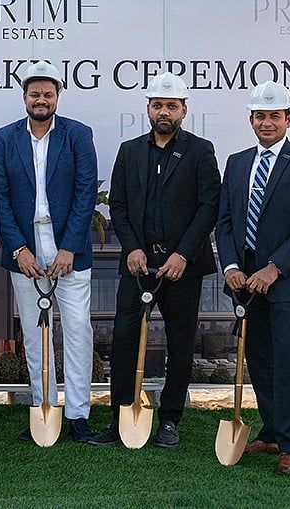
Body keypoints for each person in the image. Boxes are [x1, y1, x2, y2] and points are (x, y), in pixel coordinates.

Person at [90, 72, 221, 448]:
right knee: (124, 339)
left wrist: (183, 254)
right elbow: (118, 205)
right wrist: (131, 247)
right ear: (148, 108)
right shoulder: (129, 151)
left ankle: (170, 420)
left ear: (184, 110)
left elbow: (209, 207)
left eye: (171, 106)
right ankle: (120, 417)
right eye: (158, 105)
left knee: (180, 343)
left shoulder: (200, 151)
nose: (164, 111)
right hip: (137, 266)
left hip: (182, 268)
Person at [215, 80, 290, 476]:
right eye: (260, 116)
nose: (267, 122)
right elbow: (225, 222)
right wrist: (231, 267)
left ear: (288, 119)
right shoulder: (237, 163)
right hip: (244, 282)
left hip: (285, 281)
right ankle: (270, 432)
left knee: (284, 359)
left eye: (274, 116)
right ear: (251, 120)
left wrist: (274, 268)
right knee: (258, 358)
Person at [0, 61, 99, 443]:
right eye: (34, 93)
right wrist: (18, 249)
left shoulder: (78, 135)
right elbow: (0, 198)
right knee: (35, 337)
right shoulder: (5, 138)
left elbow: (86, 192)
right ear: (24, 97)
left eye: (47, 94)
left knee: (78, 332)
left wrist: (70, 247)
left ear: (57, 97)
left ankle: (79, 415)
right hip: (27, 254)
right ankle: (44, 409)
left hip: (69, 252)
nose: (41, 99)